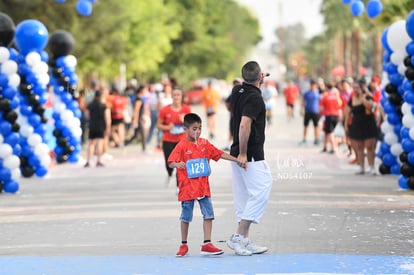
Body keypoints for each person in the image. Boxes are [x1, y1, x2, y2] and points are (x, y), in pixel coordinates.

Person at [168, 113, 244, 257]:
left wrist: (236, 159)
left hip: (203, 188)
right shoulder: (182, 146)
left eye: (200, 128)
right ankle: (183, 244)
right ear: (186, 129)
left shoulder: (204, 144)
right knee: (185, 216)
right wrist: (177, 164)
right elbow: (171, 161)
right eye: (194, 129)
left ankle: (207, 243)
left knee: (208, 214)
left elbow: (219, 153)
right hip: (187, 189)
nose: (197, 132)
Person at [227, 61, 273, 256]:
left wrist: (257, 78)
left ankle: (244, 240)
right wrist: (244, 153)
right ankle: (238, 236)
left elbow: (249, 81)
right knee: (263, 187)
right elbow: (245, 125)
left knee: (244, 196)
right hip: (250, 153)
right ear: (259, 78)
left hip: (236, 150)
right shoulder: (255, 97)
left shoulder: (237, 91)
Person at [156, 86, 191, 188]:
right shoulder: (165, 110)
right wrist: (168, 127)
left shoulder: (186, 109)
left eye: (178, 95)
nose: (176, 97)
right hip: (168, 140)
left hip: (182, 140)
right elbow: (158, 125)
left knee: (180, 163)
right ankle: (169, 173)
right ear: (171, 96)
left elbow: (193, 126)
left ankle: (178, 186)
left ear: (181, 96)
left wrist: (184, 121)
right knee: (170, 162)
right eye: (174, 95)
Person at [344, 81, 378, 175]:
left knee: (369, 146)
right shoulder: (352, 99)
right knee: (359, 147)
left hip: (368, 124)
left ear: (361, 88)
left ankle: (371, 166)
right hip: (357, 125)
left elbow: (372, 107)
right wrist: (346, 125)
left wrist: (363, 99)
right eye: (354, 88)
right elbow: (347, 113)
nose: (355, 90)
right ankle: (361, 167)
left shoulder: (367, 96)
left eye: (357, 88)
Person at [84, 90, 111, 167]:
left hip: (92, 125)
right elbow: (107, 117)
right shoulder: (104, 106)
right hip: (101, 126)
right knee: (100, 143)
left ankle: (88, 161)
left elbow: (87, 115)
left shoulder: (90, 105)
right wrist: (108, 127)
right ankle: (98, 160)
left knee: (91, 143)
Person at [319, 81, 342, 154]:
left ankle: (334, 148)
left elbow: (321, 108)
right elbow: (340, 104)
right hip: (336, 115)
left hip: (328, 116)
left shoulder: (325, 96)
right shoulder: (336, 96)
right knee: (327, 131)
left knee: (330, 132)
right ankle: (325, 147)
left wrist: (320, 115)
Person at [125, 85, 147, 152]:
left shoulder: (139, 98)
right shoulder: (138, 99)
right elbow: (136, 110)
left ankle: (125, 143)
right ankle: (144, 148)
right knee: (142, 133)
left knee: (135, 135)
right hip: (138, 119)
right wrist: (136, 120)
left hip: (139, 118)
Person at [300, 79, 321, 145]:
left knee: (316, 126)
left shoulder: (318, 93)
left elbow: (321, 102)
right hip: (308, 111)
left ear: (316, 86)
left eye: (314, 85)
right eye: (311, 85)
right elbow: (303, 101)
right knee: (306, 126)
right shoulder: (307, 93)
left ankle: (316, 139)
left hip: (315, 112)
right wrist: (301, 110)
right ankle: (304, 139)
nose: (312, 86)